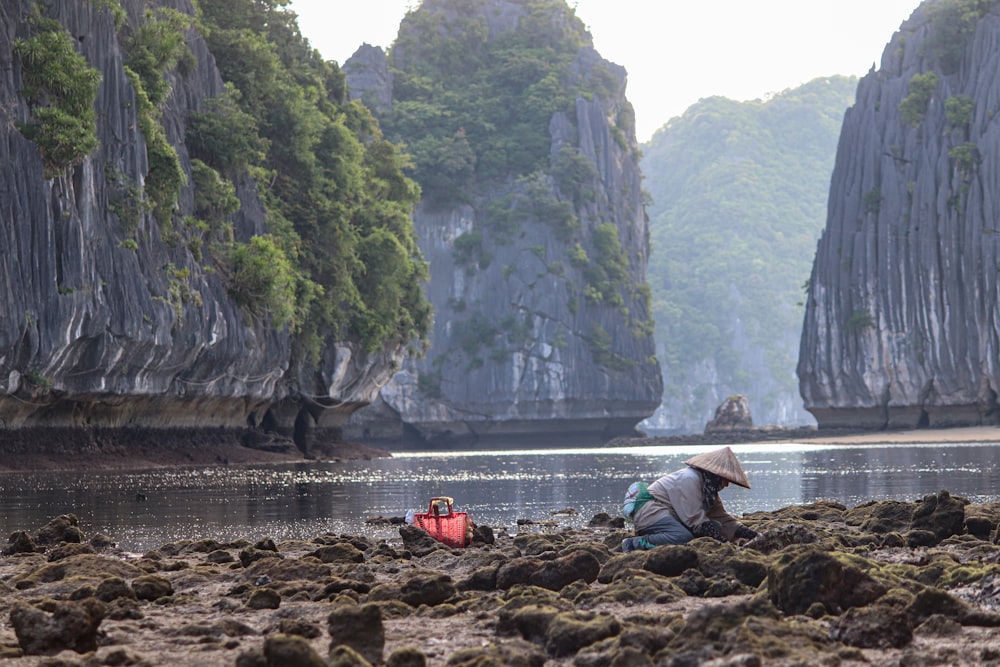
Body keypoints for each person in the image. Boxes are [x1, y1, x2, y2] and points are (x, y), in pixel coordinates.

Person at [621, 446, 758, 552]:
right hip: (651, 511)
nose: (727, 484)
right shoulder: (690, 479)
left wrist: (752, 534)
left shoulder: (708, 489)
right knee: (683, 537)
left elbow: (722, 517)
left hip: (670, 515)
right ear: (715, 475)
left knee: (717, 526)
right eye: (725, 480)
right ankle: (635, 543)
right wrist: (723, 544)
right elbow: (695, 519)